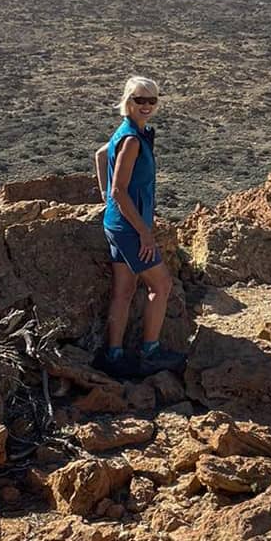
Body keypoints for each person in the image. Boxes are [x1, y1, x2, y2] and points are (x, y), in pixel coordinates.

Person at [94, 75, 187, 378]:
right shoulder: (133, 140)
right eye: (139, 99)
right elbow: (120, 191)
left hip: (118, 224)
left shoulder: (131, 133)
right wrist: (144, 232)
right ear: (127, 102)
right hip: (129, 228)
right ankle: (150, 352)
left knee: (124, 290)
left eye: (152, 99)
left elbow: (100, 155)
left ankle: (114, 355)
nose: (146, 105)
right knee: (161, 285)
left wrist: (105, 198)